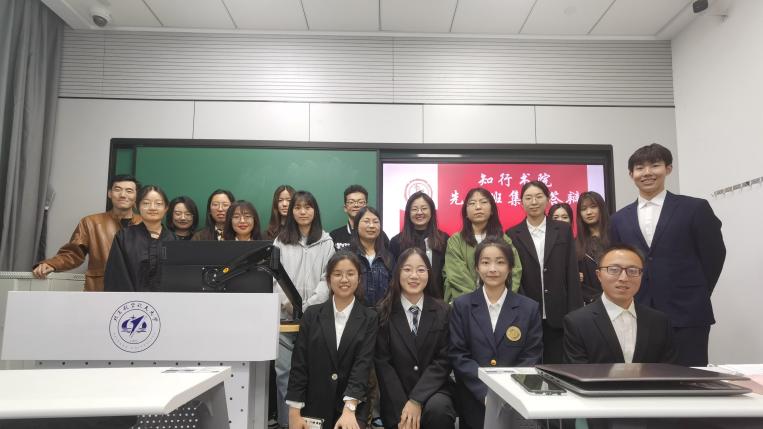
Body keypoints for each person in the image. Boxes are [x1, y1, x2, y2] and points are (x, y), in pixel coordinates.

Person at [610, 143, 725, 367]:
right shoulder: (618, 219)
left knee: (689, 375)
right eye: (640, 168)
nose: (647, 173)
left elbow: (714, 255)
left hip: (687, 311)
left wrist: (697, 291)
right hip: (638, 311)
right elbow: (618, 261)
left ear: (668, 168)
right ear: (631, 174)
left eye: (655, 165)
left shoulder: (694, 208)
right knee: (644, 376)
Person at [449, 238, 543, 429]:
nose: (492, 269)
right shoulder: (462, 306)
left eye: (500, 262)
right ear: (477, 268)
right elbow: (459, 355)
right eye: (485, 262)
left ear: (510, 267)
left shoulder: (529, 308)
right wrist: (486, 393)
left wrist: (507, 393)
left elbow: (531, 356)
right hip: (474, 398)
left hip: (516, 401)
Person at [286, 251, 378, 429]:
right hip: (313, 405)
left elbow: (363, 365)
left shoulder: (370, 318)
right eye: (337, 274)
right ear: (328, 280)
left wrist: (350, 408)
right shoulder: (312, 315)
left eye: (350, 274)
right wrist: (294, 411)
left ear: (359, 278)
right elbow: (299, 364)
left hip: (352, 404)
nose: (344, 279)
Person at [273, 190, 336, 428]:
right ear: (291, 212)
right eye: (298, 207)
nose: (302, 212)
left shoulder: (326, 242)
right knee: (284, 373)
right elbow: (274, 277)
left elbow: (327, 278)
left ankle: (311, 423)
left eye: (307, 207)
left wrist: (307, 308)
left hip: (316, 319)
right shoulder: (280, 241)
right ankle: (286, 423)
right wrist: (289, 304)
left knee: (315, 373)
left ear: (315, 211)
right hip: (284, 318)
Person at [375, 247, 456, 429]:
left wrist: (416, 399)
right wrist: (405, 405)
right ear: (398, 273)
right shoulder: (383, 312)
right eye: (407, 269)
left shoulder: (443, 311)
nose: (414, 276)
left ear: (429, 274)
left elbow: (444, 360)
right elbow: (383, 364)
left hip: (434, 391)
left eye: (420, 270)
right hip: (396, 394)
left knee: (439, 410)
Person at [507, 180, 582, 364]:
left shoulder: (563, 230)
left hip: (559, 312)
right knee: (529, 364)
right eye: (528, 198)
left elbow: (571, 272)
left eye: (539, 197)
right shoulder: (512, 234)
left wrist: (575, 312)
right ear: (521, 202)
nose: (534, 202)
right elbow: (513, 276)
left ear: (548, 199)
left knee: (557, 365)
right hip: (526, 311)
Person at [564, 243, 677, 365]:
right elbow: (576, 372)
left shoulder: (660, 322)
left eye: (632, 271)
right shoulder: (577, 322)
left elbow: (667, 370)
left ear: (641, 275)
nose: (624, 278)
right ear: (599, 275)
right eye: (614, 270)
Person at [32, 174, 142, 291]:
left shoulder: (146, 224)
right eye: (117, 189)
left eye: (129, 191)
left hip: (139, 290)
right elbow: (73, 253)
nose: (123, 195)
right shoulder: (91, 222)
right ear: (110, 193)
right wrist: (52, 264)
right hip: (101, 289)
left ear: (136, 195)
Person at [443, 187, 522, 303]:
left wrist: (502, 299)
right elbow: (457, 275)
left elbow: (515, 270)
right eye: (472, 203)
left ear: (492, 210)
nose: (478, 207)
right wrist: (477, 301)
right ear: (466, 212)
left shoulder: (504, 239)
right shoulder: (455, 241)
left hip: (500, 303)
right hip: (466, 304)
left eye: (484, 202)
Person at [104, 185, 175, 292]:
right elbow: (117, 275)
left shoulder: (173, 239)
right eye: (146, 203)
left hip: (166, 300)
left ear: (166, 208)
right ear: (137, 206)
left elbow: (177, 279)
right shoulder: (124, 236)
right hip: (130, 300)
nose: (152, 208)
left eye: (158, 204)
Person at [388, 191, 449, 299]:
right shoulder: (396, 241)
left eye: (424, 208)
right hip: (405, 300)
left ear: (432, 212)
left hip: (437, 300)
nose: (419, 212)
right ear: (408, 213)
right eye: (414, 209)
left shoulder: (444, 239)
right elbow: (393, 276)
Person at [350, 206, 393, 307]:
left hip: (384, 313)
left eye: (376, 222)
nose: (372, 225)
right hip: (355, 313)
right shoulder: (348, 255)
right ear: (356, 225)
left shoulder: (388, 257)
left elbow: (394, 288)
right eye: (366, 221)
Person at [576, 191, 610, 304]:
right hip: (592, 303)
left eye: (593, 207)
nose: (589, 212)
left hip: (620, 296)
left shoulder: (616, 235)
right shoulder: (576, 244)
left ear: (601, 208)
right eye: (583, 209)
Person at [330, 184, 388, 251]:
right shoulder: (334, 235)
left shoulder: (378, 235)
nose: (356, 205)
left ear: (366, 206)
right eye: (351, 202)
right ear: (345, 208)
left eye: (360, 202)